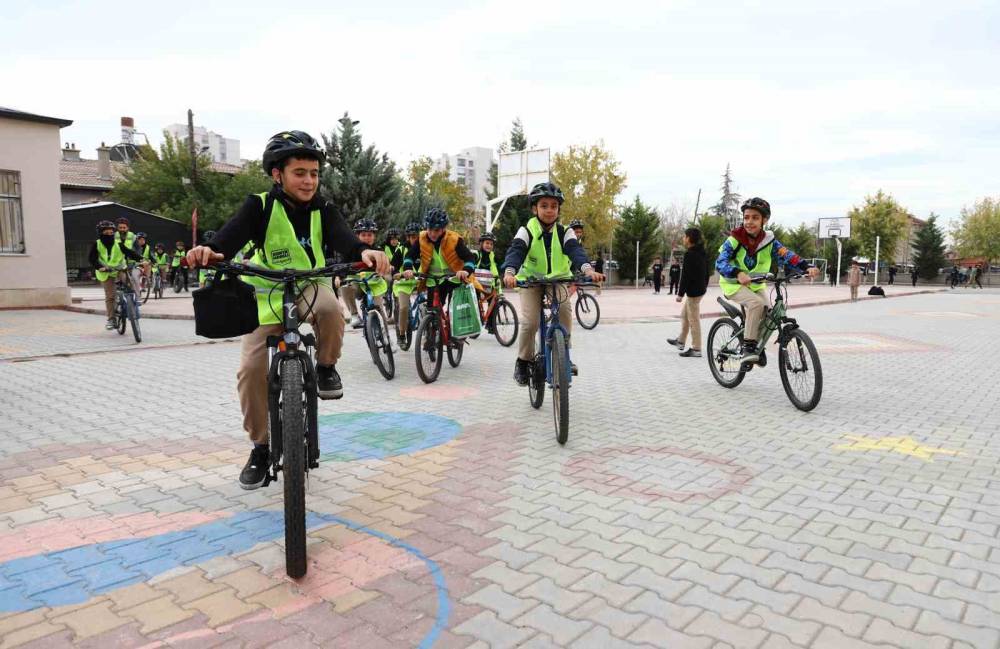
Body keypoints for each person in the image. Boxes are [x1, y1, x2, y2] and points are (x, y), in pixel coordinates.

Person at [186, 129, 388, 490]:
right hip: (267, 294)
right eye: (300, 173)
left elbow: (345, 238)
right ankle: (260, 448)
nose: (309, 181)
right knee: (250, 371)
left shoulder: (324, 209)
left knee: (330, 307)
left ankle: (326, 368)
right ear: (278, 174)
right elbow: (229, 238)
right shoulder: (260, 206)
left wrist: (362, 253)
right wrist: (211, 252)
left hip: (310, 284)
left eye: (314, 173)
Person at [502, 182, 604, 384]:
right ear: (534, 208)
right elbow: (516, 251)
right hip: (530, 280)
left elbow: (576, 251)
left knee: (565, 309)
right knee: (530, 322)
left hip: (557, 279)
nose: (549, 210)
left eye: (554, 206)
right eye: (544, 205)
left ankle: (564, 353)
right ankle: (523, 361)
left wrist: (588, 270)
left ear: (558, 209)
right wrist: (509, 272)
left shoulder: (565, 231)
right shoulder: (527, 230)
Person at [716, 197, 818, 364]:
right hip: (733, 284)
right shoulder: (734, 239)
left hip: (755, 285)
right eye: (746, 217)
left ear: (765, 220)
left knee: (770, 314)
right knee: (756, 304)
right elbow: (720, 262)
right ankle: (749, 348)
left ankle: (757, 345)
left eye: (755, 217)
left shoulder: (769, 241)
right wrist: (737, 273)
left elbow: (787, 255)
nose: (749, 221)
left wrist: (806, 266)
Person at [401, 208, 478, 315]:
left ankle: (451, 326)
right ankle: (432, 328)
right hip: (434, 280)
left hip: (454, 279)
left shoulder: (454, 239)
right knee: (432, 311)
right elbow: (410, 256)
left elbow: (470, 258)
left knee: (455, 312)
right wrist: (408, 268)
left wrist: (465, 271)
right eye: (430, 229)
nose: (432, 233)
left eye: (436, 230)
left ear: (444, 229)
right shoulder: (422, 238)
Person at [89, 220, 142, 329]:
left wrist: (142, 259)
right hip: (106, 272)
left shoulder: (118, 243)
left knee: (131, 288)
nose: (109, 235)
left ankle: (134, 311)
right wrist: (100, 267)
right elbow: (92, 258)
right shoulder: (97, 244)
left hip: (119, 269)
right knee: (111, 296)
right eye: (106, 233)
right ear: (101, 233)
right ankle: (111, 319)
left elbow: (129, 252)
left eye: (111, 232)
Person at [340, 219, 389, 328]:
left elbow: (386, 267)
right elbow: (341, 265)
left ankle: (386, 337)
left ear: (374, 236)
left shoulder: (378, 251)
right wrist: (338, 277)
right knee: (345, 286)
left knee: (380, 310)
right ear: (357, 236)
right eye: (363, 235)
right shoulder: (350, 252)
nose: (367, 238)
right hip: (357, 284)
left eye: (370, 235)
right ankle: (354, 315)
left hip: (374, 284)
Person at [667, 228, 708, 357]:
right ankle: (681, 341)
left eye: (685, 236)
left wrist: (680, 294)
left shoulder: (690, 254)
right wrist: (704, 286)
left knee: (693, 319)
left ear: (689, 238)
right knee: (684, 315)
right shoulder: (701, 252)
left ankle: (696, 349)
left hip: (694, 292)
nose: (683, 239)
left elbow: (685, 276)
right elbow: (707, 271)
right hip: (699, 289)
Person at [393, 223, 421, 341]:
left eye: (418, 237)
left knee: (431, 305)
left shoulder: (426, 248)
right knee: (403, 308)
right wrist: (397, 274)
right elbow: (393, 269)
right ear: (408, 238)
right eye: (413, 237)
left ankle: (429, 330)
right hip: (403, 284)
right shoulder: (401, 250)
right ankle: (402, 334)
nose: (416, 240)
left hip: (420, 282)